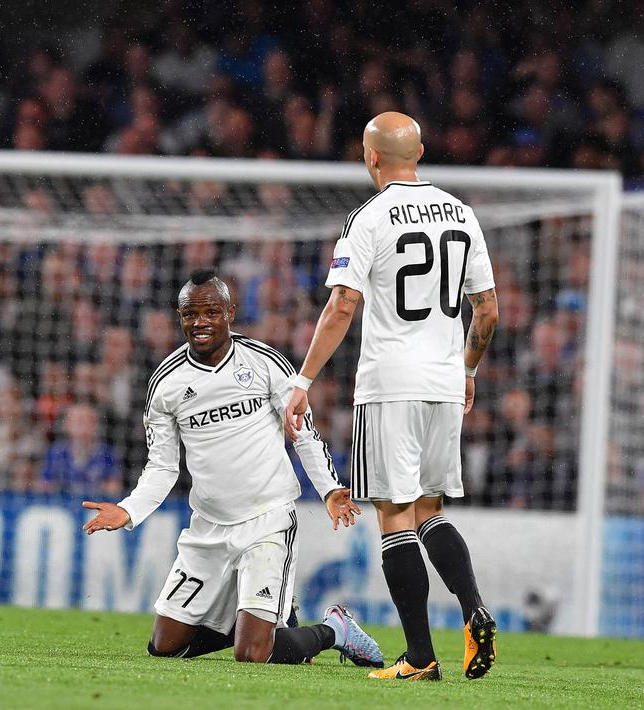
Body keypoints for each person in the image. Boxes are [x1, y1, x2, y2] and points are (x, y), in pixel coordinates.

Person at [284, 112, 499, 682]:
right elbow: (489, 311)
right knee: (431, 509)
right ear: (421, 151)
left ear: (370, 157)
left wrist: (302, 380)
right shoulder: (463, 213)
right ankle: (474, 605)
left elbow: (343, 305)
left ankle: (420, 657)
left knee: (395, 517)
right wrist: (468, 369)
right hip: (445, 383)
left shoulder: (369, 218)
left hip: (390, 385)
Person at [83, 270, 383, 668]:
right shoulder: (166, 384)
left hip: (267, 519)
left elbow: (304, 434)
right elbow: (162, 467)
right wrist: (129, 510)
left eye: (211, 312)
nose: (200, 322)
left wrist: (328, 490)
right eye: (191, 314)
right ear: (180, 317)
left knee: (252, 654)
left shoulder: (265, 363)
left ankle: (334, 629)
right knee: (164, 647)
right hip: (208, 528)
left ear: (230, 312)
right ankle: (270, 621)